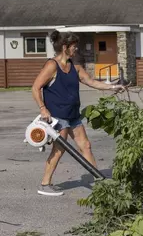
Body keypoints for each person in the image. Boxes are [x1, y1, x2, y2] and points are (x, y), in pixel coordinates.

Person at [31, 30, 124, 196]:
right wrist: (43, 108)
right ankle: (45, 184)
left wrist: (112, 87)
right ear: (65, 47)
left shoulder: (75, 66)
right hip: (58, 117)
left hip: (73, 115)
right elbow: (35, 87)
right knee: (59, 150)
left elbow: (91, 81)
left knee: (85, 145)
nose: (76, 50)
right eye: (74, 47)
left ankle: (99, 182)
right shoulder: (52, 65)